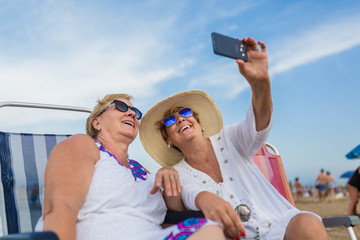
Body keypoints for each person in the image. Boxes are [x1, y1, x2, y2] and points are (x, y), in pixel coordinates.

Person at [139, 37, 328, 239]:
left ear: (199, 123)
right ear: (168, 140)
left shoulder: (230, 139)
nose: (179, 119)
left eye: (185, 112)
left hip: (281, 228)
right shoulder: (178, 173)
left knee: (306, 222)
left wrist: (260, 84)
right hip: (236, 236)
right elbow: (190, 194)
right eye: (169, 121)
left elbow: (258, 124)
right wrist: (204, 198)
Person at [34, 94, 224, 240]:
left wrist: (168, 176)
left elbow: (171, 213)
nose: (132, 113)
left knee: (211, 230)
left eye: (136, 112)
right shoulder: (83, 145)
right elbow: (59, 209)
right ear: (97, 122)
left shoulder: (140, 170)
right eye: (121, 107)